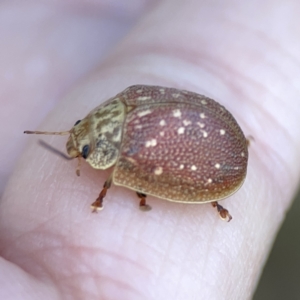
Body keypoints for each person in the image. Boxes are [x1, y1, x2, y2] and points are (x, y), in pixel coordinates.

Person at [0, 1, 299, 299]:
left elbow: (121, 176)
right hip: (218, 125)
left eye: (87, 148)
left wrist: (108, 195)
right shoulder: (130, 96)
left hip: (222, 158)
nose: (80, 146)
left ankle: (212, 201)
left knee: (146, 176)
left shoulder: (128, 153)